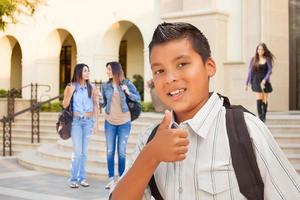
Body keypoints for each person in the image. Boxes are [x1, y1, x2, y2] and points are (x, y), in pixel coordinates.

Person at [110, 22, 300, 199]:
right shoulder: (150, 139)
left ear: (209, 67)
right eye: (159, 71)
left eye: (182, 64)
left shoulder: (246, 130)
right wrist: (150, 156)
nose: (170, 78)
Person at [100, 61, 141, 190]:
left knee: (122, 152)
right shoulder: (105, 86)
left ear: (116, 70)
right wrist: (98, 100)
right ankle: (111, 179)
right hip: (109, 123)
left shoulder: (127, 83)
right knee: (110, 151)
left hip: (124, 122)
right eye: (107, 69)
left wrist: (128, 92)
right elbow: (104, 103)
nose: (107, 71)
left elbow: (138, 98)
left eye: (109, 69)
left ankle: (121, 179)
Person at [62, 63, 98, 188]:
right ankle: (73, 179)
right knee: (77, 152)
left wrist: (96, 123)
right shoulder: (71, 86)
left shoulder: (92, 87)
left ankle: (82, 178)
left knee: (84, 152)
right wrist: (70, 93)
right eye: (85, 71)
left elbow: (95, 105)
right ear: (79, 73)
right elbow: (65, 105)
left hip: (88, 122)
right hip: (76, 122)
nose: (87, 73)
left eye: (88, 71)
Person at [245, 43, 274, 122]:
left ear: (264, 51)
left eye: (261, 49)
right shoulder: (253, 59)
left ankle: (264, 116)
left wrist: (265, 79)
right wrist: (246, 83)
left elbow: (270, 70)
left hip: (265, 81)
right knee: (259, 99)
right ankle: (260, 119)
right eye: (258, 49)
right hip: (256, 81)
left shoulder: (267, 59)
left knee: (264, 100)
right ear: (257, 50)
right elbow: (250, 72)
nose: (260, 51)